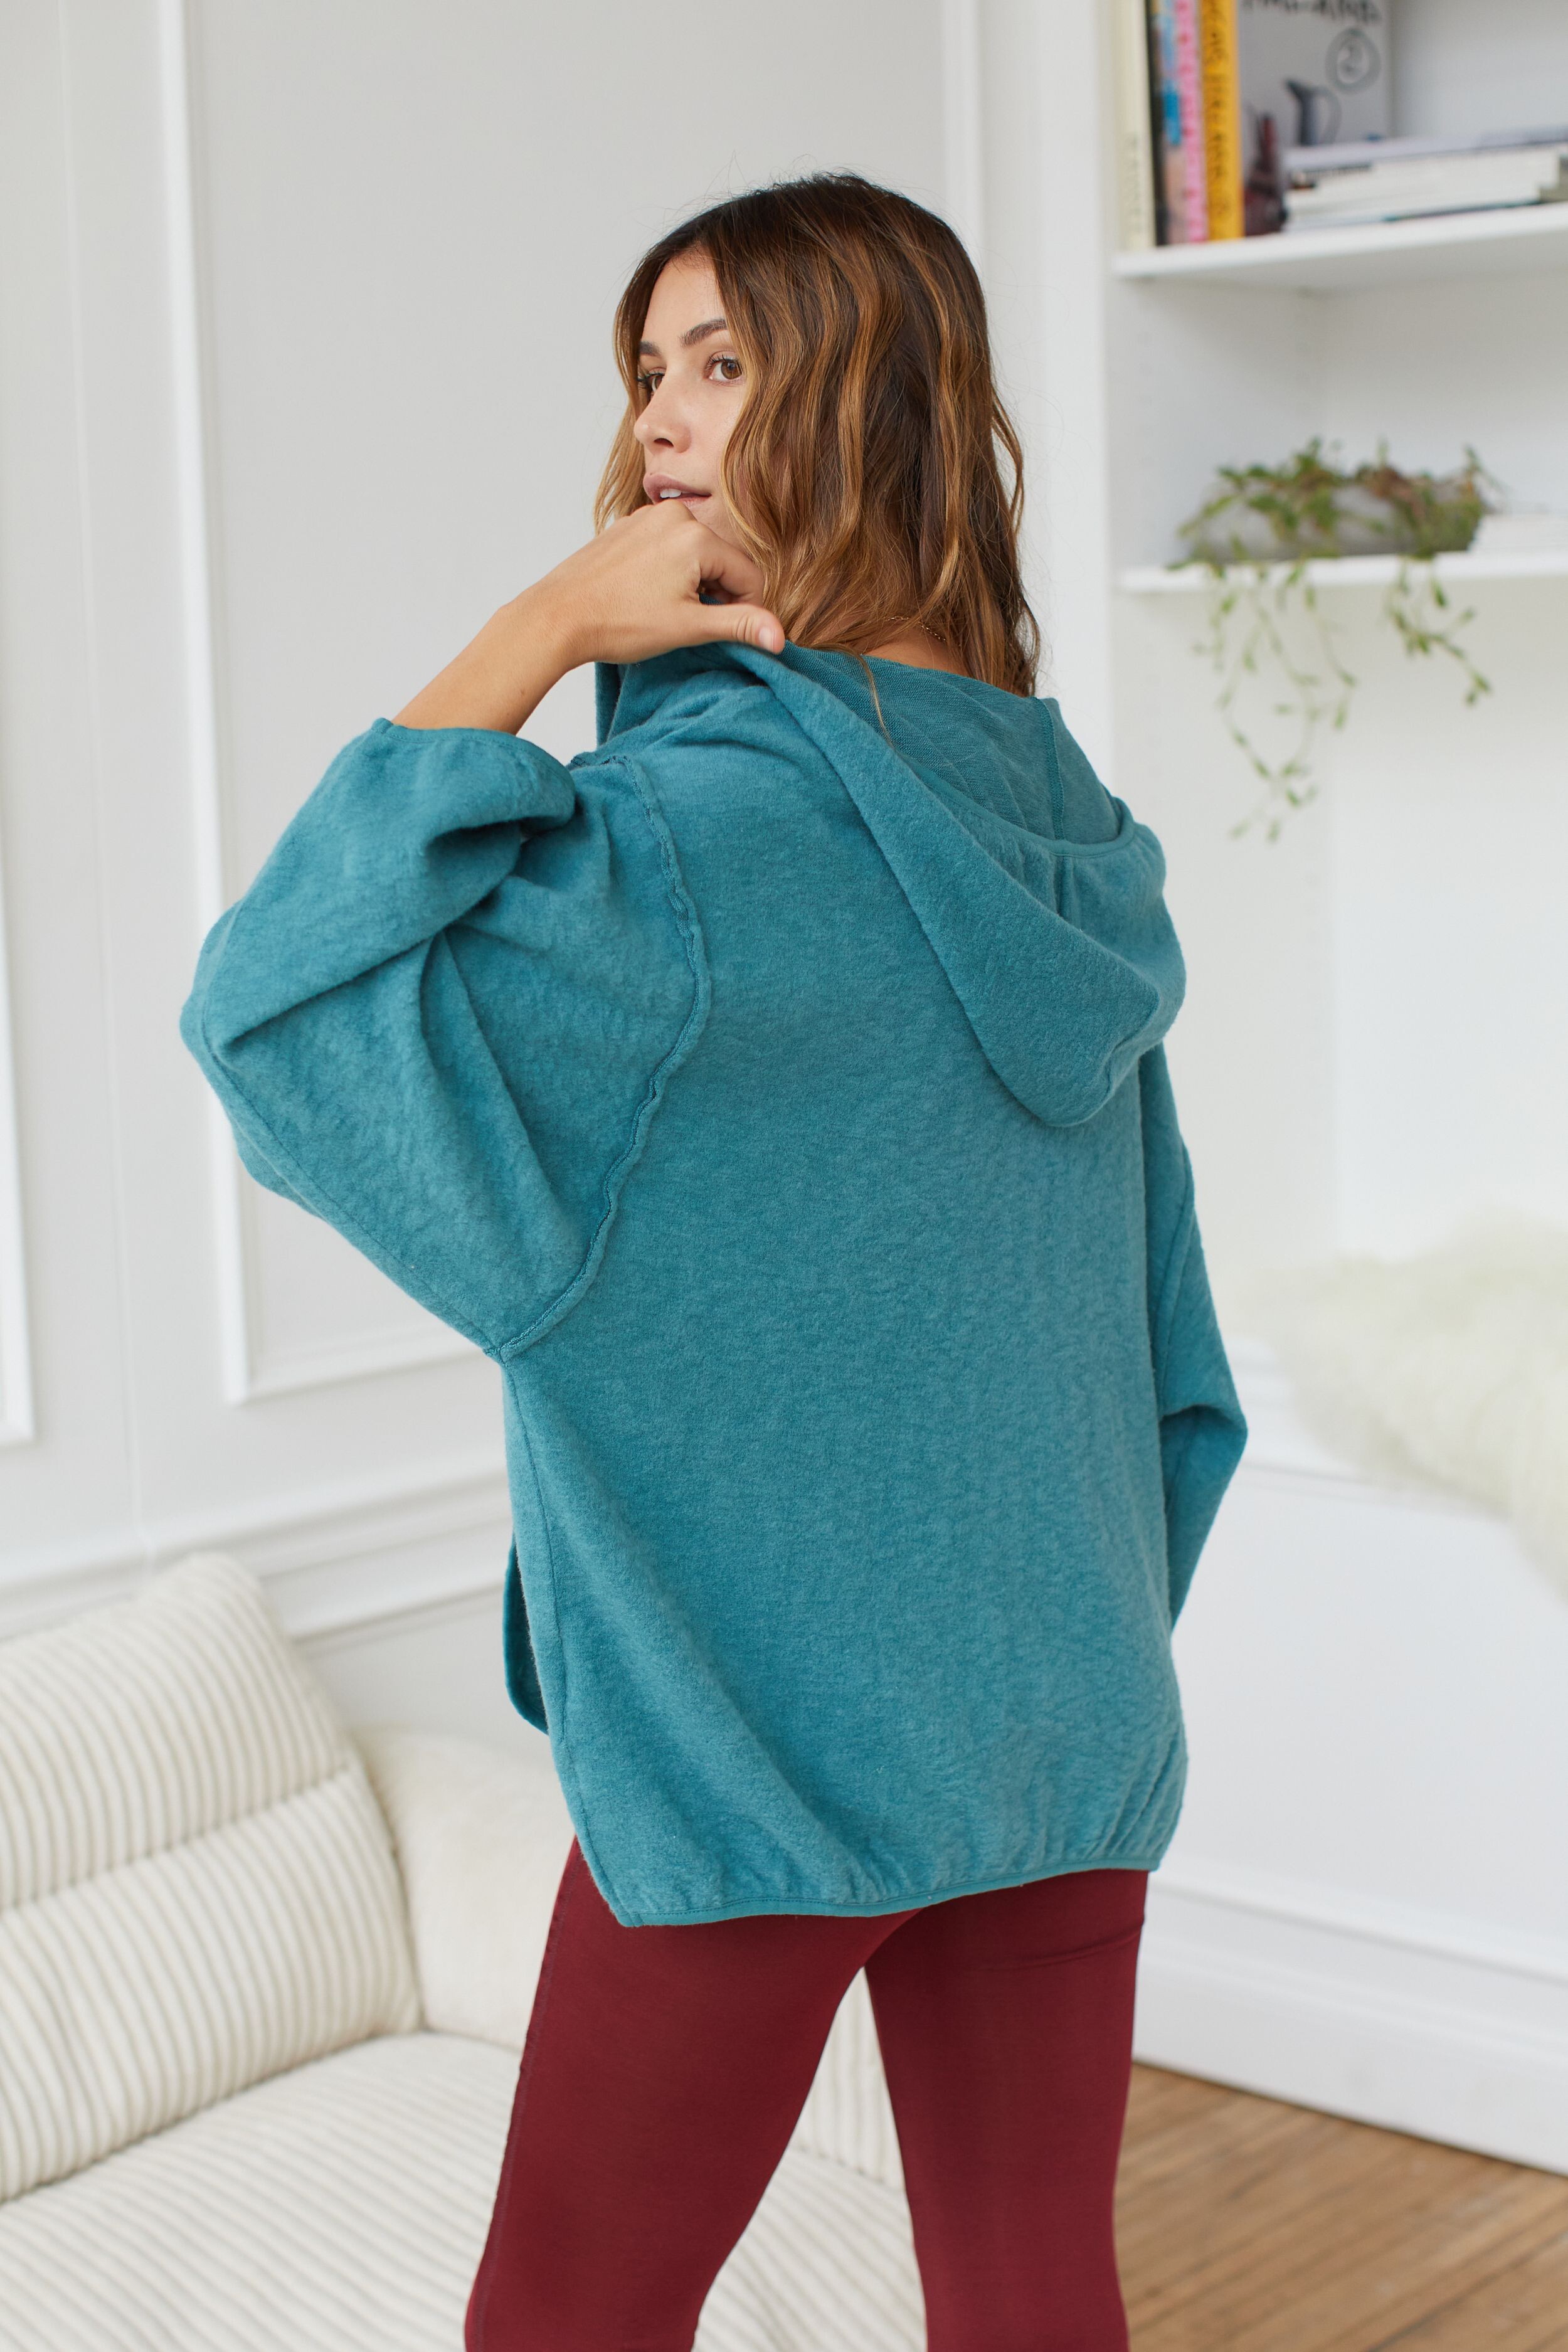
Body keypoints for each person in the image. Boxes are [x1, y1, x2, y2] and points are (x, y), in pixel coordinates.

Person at [182, 172, 1246, 2352]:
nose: (658, 422)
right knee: (1032, 2298)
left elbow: (270, 1006)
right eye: (647, 372)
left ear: (864, 398)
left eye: (722, 363)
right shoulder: (1074, 843)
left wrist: (541, 632)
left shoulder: (670, 857)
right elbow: (1165, 1368)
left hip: (758, 1747)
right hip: (1057, 1720)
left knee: (563, 2322)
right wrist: (1035, 1643)